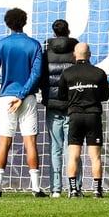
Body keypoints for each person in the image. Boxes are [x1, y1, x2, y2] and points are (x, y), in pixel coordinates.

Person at [0, 8, 46, 197]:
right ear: (24, 22)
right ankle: (35, 188)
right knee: (30, 140)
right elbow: (36, 74)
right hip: (26, 97)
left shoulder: (1, 45)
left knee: (4, 141)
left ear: (7, 23)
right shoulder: (34, 45)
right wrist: (22, 94)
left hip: (6, 97)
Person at [59, 42, 109, 198]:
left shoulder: (67, 73)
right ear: (90, 54)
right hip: (93, 115)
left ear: (75, 54)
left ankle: (73, 190)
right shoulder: (99, 73)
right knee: (95, 156)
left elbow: (62, 96)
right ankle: (97, 190)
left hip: (75, 116)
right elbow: (105, 96)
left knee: (73, 154)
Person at [39, 19, 78, 197]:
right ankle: (74, 187)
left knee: (55, 147)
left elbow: (41, 76)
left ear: (54, 33)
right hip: (72, 105)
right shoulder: (76, 51)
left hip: (53, 105)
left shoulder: (46, 52)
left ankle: (55, 189)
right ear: (68, 31)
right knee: (74, 147)